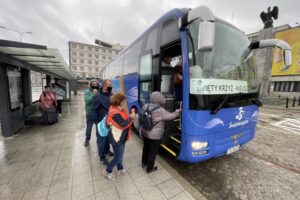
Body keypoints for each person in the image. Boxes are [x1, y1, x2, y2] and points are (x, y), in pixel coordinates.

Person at [141, 91, 181, 173]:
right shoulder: (160, 110)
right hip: (154, 135)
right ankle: (150, 168)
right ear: (160, 100)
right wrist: (177, 112)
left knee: (146, 147)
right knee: (153, 151)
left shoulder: (145, 106)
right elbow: (170, 116)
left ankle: (144, 163)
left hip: (144, 131)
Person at [103, 93, 136, 180]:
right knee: (118, 157)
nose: (124, 103)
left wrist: (127, 114)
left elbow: (124, 120)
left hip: (121, 136)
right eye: (123, 101)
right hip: (116, 137)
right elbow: (123, 124)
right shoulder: (115, 113)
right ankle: (108, 171)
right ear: (118, 102)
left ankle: (120, 169)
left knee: (120, 155)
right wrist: (131, 117)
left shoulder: (117, 108)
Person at [92, 79, 114, 165]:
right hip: (101, 123)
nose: (111, 86)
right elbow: (93, 110)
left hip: (110, 122)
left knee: (108, 138)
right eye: (109, 85)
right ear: (104, 86)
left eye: (111, 84)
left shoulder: (111, 95)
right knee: (101, 140)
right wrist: (97, 122)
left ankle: (107, 151)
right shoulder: (97, 96)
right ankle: (102, 157)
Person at [84, 79, 99, 147]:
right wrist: (93, 94)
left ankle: (99, 140)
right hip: (90, 113)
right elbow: (87, 101)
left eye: (96, 84)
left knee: (98, 128)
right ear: (91, 85)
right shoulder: (87, 91)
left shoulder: (99, 91)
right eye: (94, 84)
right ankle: (87, 139)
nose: (95, 85)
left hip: (97, 113)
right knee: (89, 127)